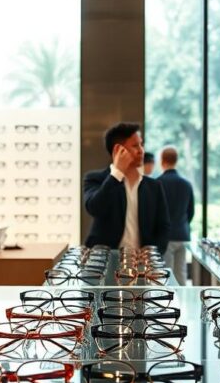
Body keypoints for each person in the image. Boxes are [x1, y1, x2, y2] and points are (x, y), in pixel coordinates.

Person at [83, 122, 170, 253]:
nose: (141, 151)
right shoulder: (95, 179)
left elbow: (164, 226)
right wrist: (116, 174)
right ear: (118, 150)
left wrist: (154, 254)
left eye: (142, 145)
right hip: (104, 261)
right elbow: (95, 208)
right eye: (135, 146)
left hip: (143, 264)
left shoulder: (154, 186)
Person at [156, 146, 195, 284]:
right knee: (181, 274)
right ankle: (182, 304)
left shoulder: (157, 183)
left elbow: (154, 212)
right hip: (182, 233)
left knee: (166, 274)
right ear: (176, 161)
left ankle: (168, 304)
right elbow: (190, 212)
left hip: (165, 236)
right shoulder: (186, 184)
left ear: (162, 161)